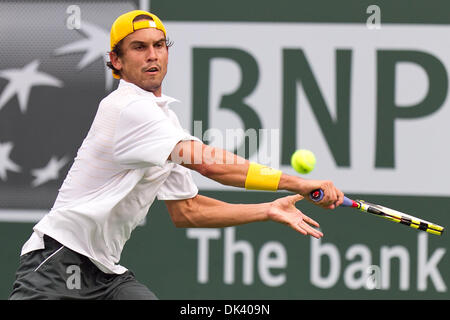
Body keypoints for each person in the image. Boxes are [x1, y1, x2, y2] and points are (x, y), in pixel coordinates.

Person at [9, 10, 344, 300]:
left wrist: (268, 209)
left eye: (159, 45)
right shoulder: (129, 109)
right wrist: (296, 183)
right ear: (116, 61)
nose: (152, 55)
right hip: (57, 263)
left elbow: (188, 211)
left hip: (104, 272)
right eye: (139, 47)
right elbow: (211, 164)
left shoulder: (163, 121)